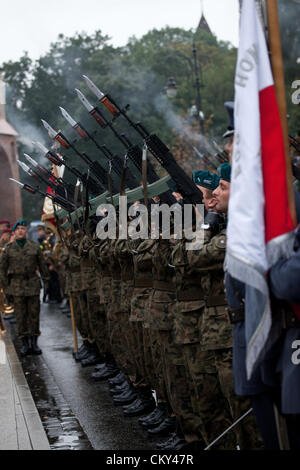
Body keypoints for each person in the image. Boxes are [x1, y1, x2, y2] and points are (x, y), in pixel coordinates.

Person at [0, 219, 50, 356]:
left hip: (32, 285)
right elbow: (2, 270)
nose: (20, 231)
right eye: (18, 229)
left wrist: (46, 283)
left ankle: (34, 343)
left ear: (26, 231)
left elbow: (42, 267)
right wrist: (6, 289)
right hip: (16, 286)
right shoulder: (8, 249)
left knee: (34, 315)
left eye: (23, 229)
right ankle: (25, 343)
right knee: (21, 316)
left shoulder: (34, 247)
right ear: (14, 232)